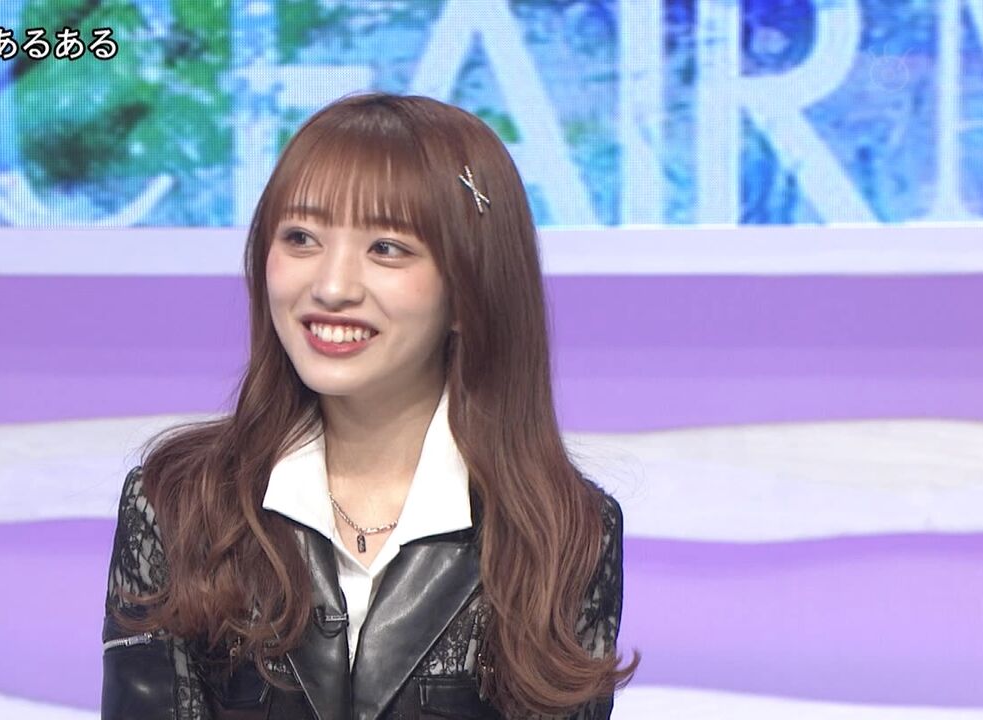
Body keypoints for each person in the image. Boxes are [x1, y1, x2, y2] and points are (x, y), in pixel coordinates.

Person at [101, 92, 639, 720]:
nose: (331, 287)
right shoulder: (176, 503)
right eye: (301, 237)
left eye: (386, 248)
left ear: (469, 292)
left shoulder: (564, 532)